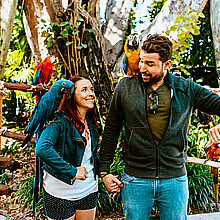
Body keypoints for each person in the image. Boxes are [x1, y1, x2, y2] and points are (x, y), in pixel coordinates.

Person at [99, 34, 220, 220]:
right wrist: (105, 172)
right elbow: (111, 130)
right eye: (141, 61)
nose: (142, 68)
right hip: (135, 179)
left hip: (175, 180)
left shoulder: (186, 88)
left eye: (150, 64)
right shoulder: (125, 87)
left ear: (166, 64)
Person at [35, 75, 99, 220]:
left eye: (91, 89)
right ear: (71, 95)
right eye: (84, 90)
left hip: (89, 191)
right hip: (60, 194)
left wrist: (105, 174)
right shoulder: (59, 121)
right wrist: (72, 171)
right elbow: (42, 148)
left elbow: (91, 155)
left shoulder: (91, 120)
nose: (91, 93)